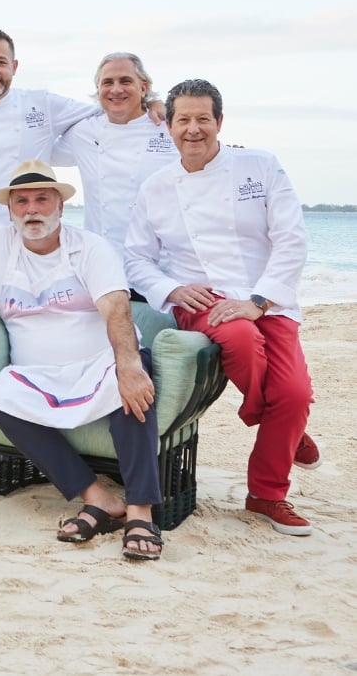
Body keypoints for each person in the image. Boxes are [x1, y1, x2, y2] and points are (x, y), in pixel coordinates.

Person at [125, 79, 318, 536]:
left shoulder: (260, 166)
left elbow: (292, 240)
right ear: (169, 127)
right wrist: (171, 289)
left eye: (203, 119)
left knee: (295, 394)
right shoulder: (155, 187)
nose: (194, 129)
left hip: (268, 298)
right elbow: (135, 258)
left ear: (220, 122)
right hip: (202, 299)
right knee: (240, 339)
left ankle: (266, 496)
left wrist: (257, 300)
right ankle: (279, 425)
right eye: (183, 120)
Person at [0, 160, 164, 560]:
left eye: (42, 199)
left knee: (129, 384)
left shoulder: (91, 247)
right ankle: (98, 497)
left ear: (60, 207)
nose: (32, 209)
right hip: (37, 375)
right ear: (11, 210)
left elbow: (116, 307)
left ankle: (140, 512)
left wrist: (128, 366)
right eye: (22, 201)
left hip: (98, 361)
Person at [0, 29, 104, 262]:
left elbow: (103, 112)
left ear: (14, 66)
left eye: (1, 62)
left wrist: (150, 103)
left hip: (34, 246)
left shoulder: (40, 104)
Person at [52, 53, 178, 256]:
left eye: (125, 81)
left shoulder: (168, 128)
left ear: (143, 87)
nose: (116, 89)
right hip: (101, 262)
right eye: (107, 82)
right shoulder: (84, 132)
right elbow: (41, 151)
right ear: (98, 90)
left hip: (159, 261)